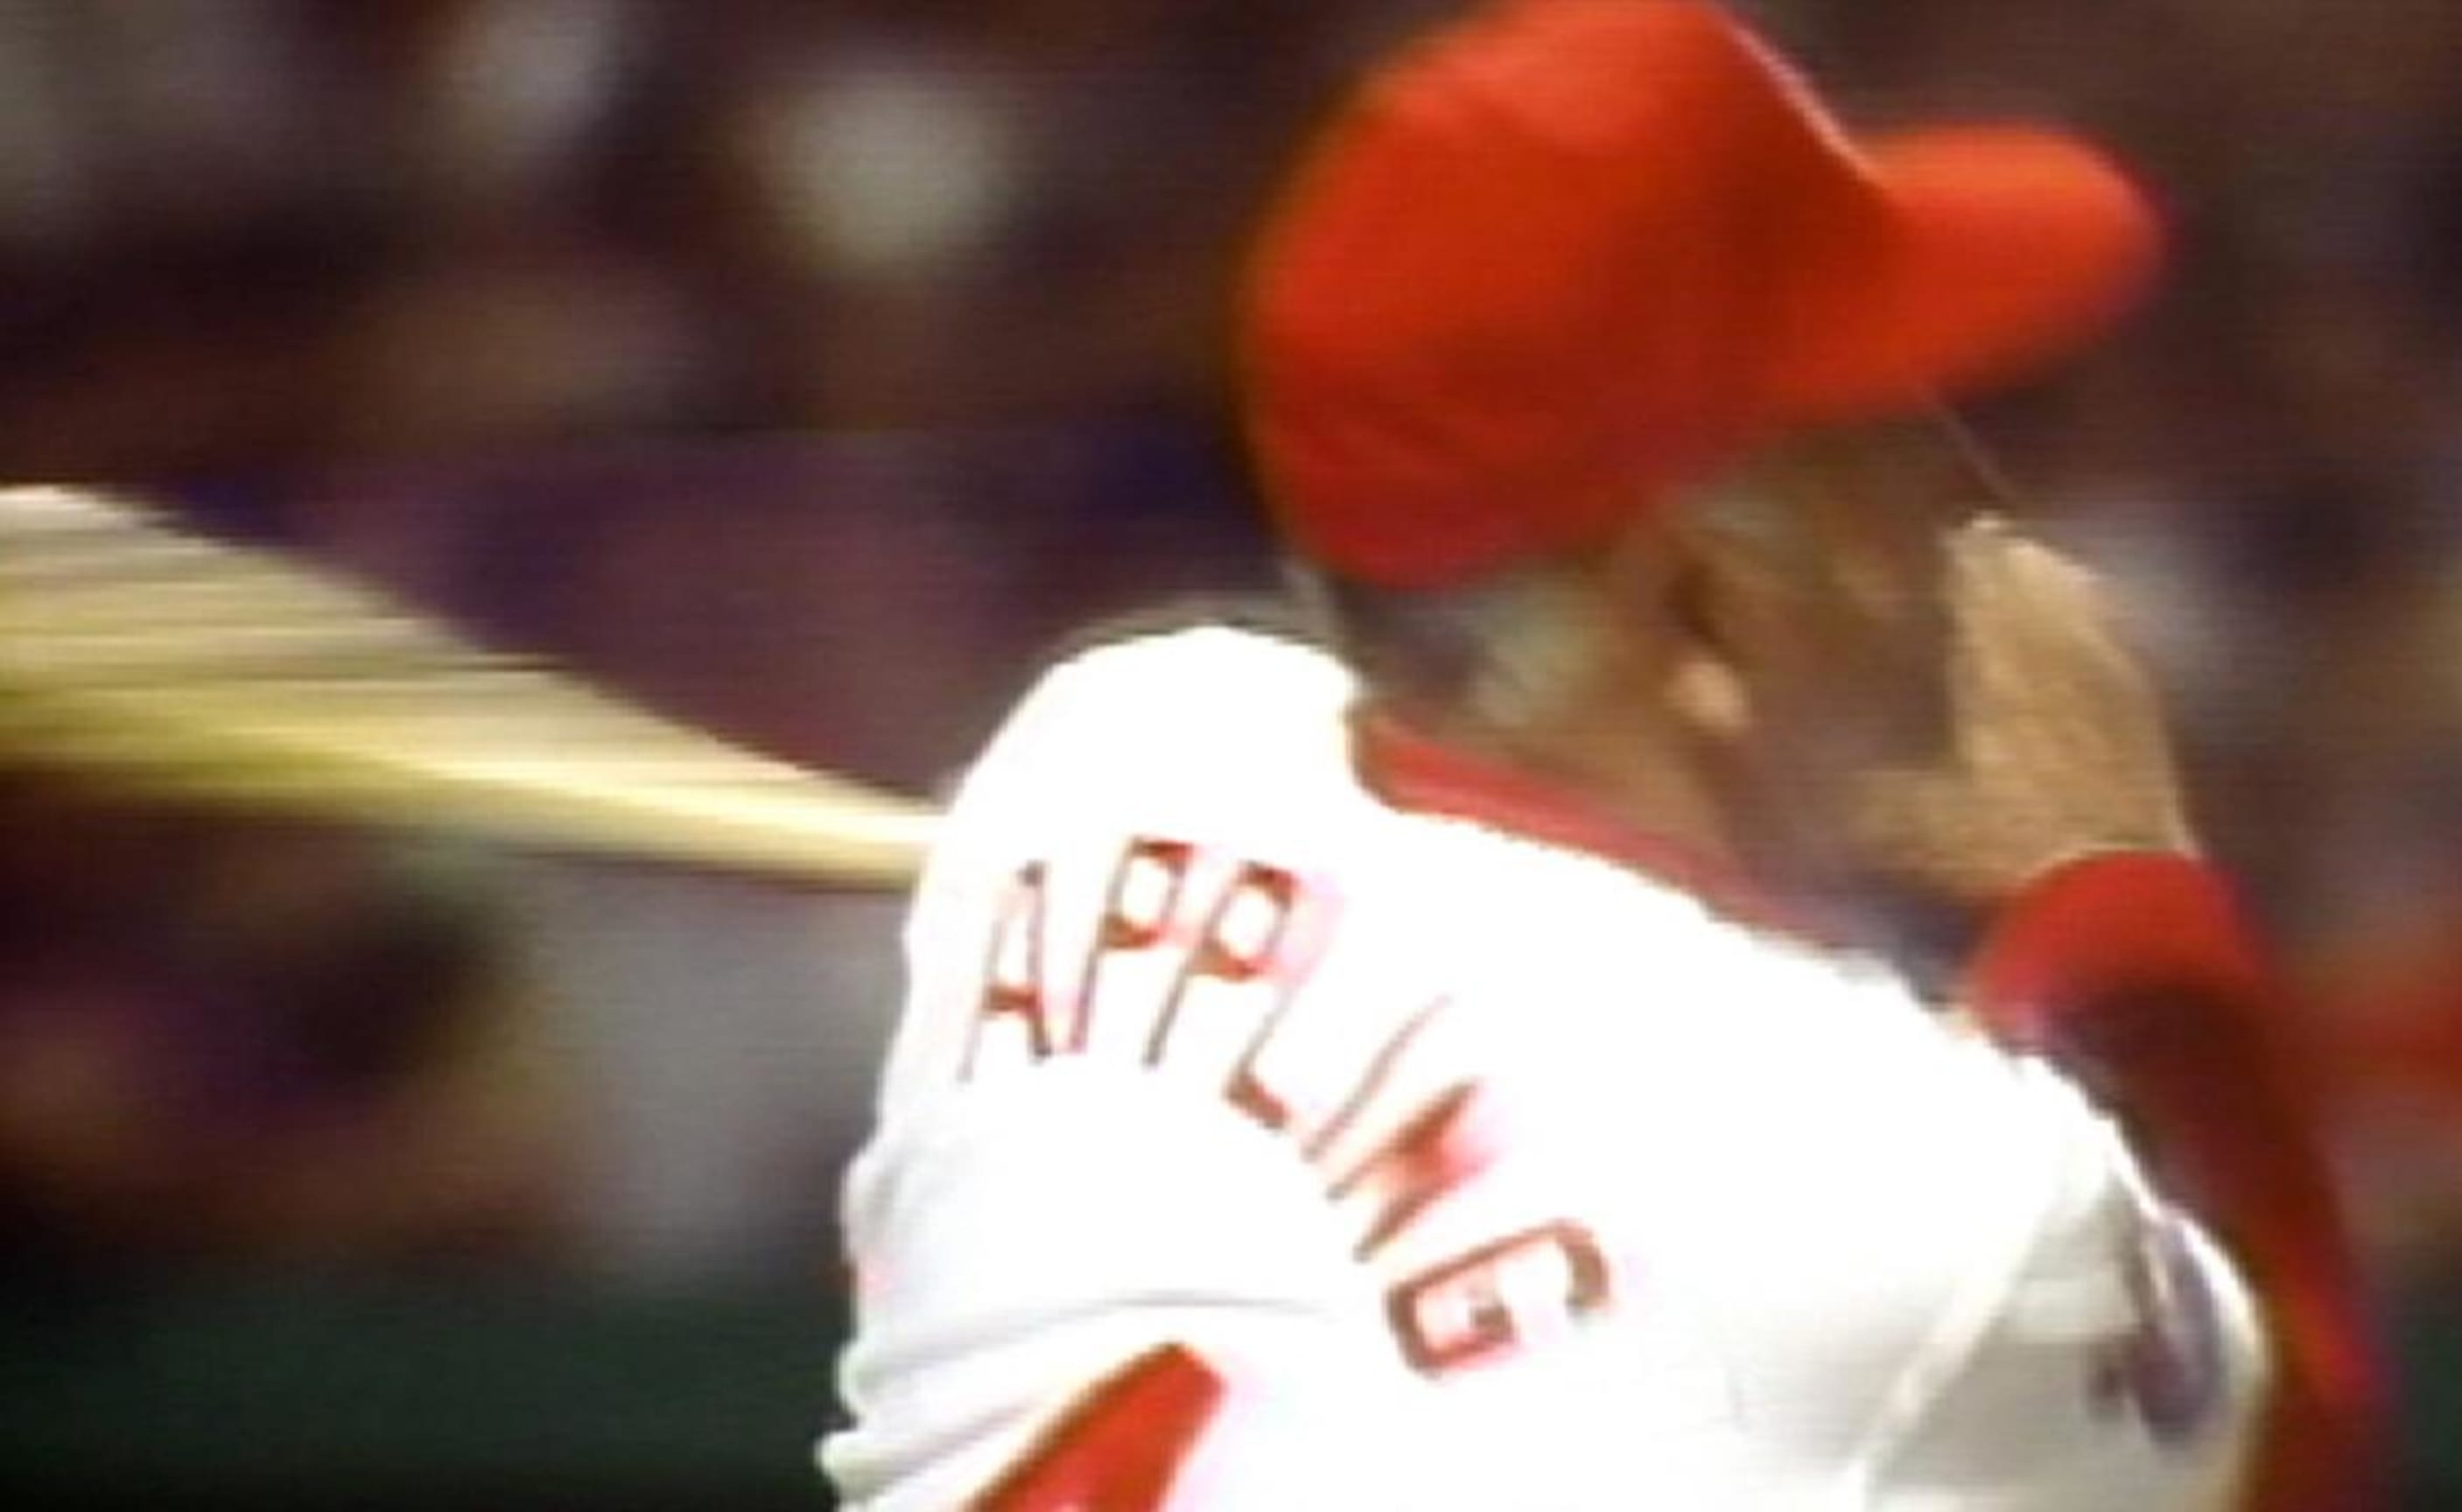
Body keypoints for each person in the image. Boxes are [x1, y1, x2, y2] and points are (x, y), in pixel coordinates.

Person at [821, 2, 2381, 1508]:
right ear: (1698, 598)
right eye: (1892, 448)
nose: (1961, 516)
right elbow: (2301, 1442)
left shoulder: (1109, 748)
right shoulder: (1917, 1188)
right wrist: (2122, 893)